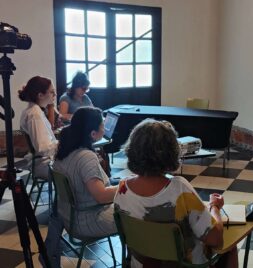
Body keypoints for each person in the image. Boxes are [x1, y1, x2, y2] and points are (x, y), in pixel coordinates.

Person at [114, 119, 238, 268]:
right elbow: (215, 239)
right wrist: (214, 207)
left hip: (141, 264)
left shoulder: (122, 189)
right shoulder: (179, 189)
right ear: (171, 152)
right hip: (184, 265)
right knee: (231, 246)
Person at [53, 107, 117, 238]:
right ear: (93, 134)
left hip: (68, 216)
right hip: (88, 220)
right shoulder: (86, 157)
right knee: (136, 213)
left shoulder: (64, 149)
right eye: (102, 125)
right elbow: (102, 197)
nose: (104, 129)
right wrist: (126, 187)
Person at [19, 76, 58, 179]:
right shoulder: (35, 114)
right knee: (82, 161)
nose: (55, 94)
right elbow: (42, 148)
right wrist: (63, 144)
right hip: (44, 164)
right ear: (40, 95)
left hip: (43, 160)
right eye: (52, 92)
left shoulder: (33, 110)